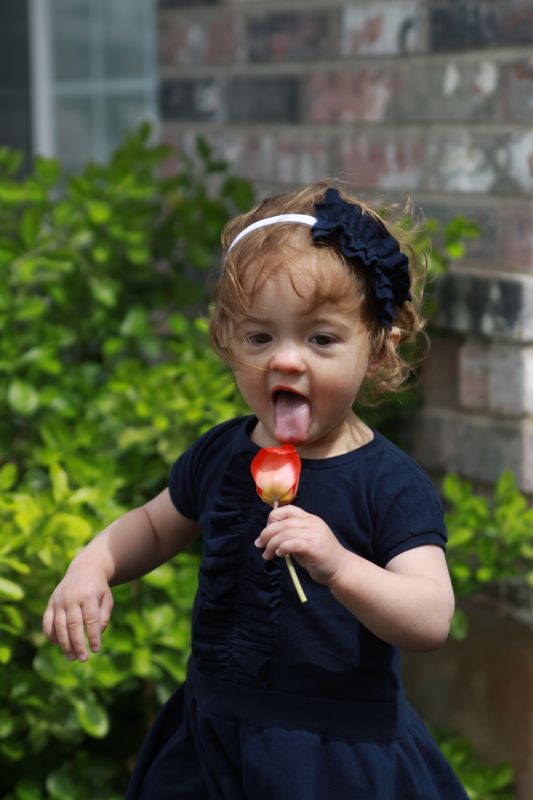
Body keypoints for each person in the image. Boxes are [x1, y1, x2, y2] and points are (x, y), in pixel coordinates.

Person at [43, 181, 469, 799]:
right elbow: (157, 524)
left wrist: (339, 565)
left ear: (377, 350)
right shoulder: (222, 453)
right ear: (227, 340)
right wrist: (94, 563)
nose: (285, 361)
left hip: (330, 755)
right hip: (213, 741)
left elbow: (430, 616)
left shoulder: (388, 484)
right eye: (259, 337)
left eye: (321, 339)